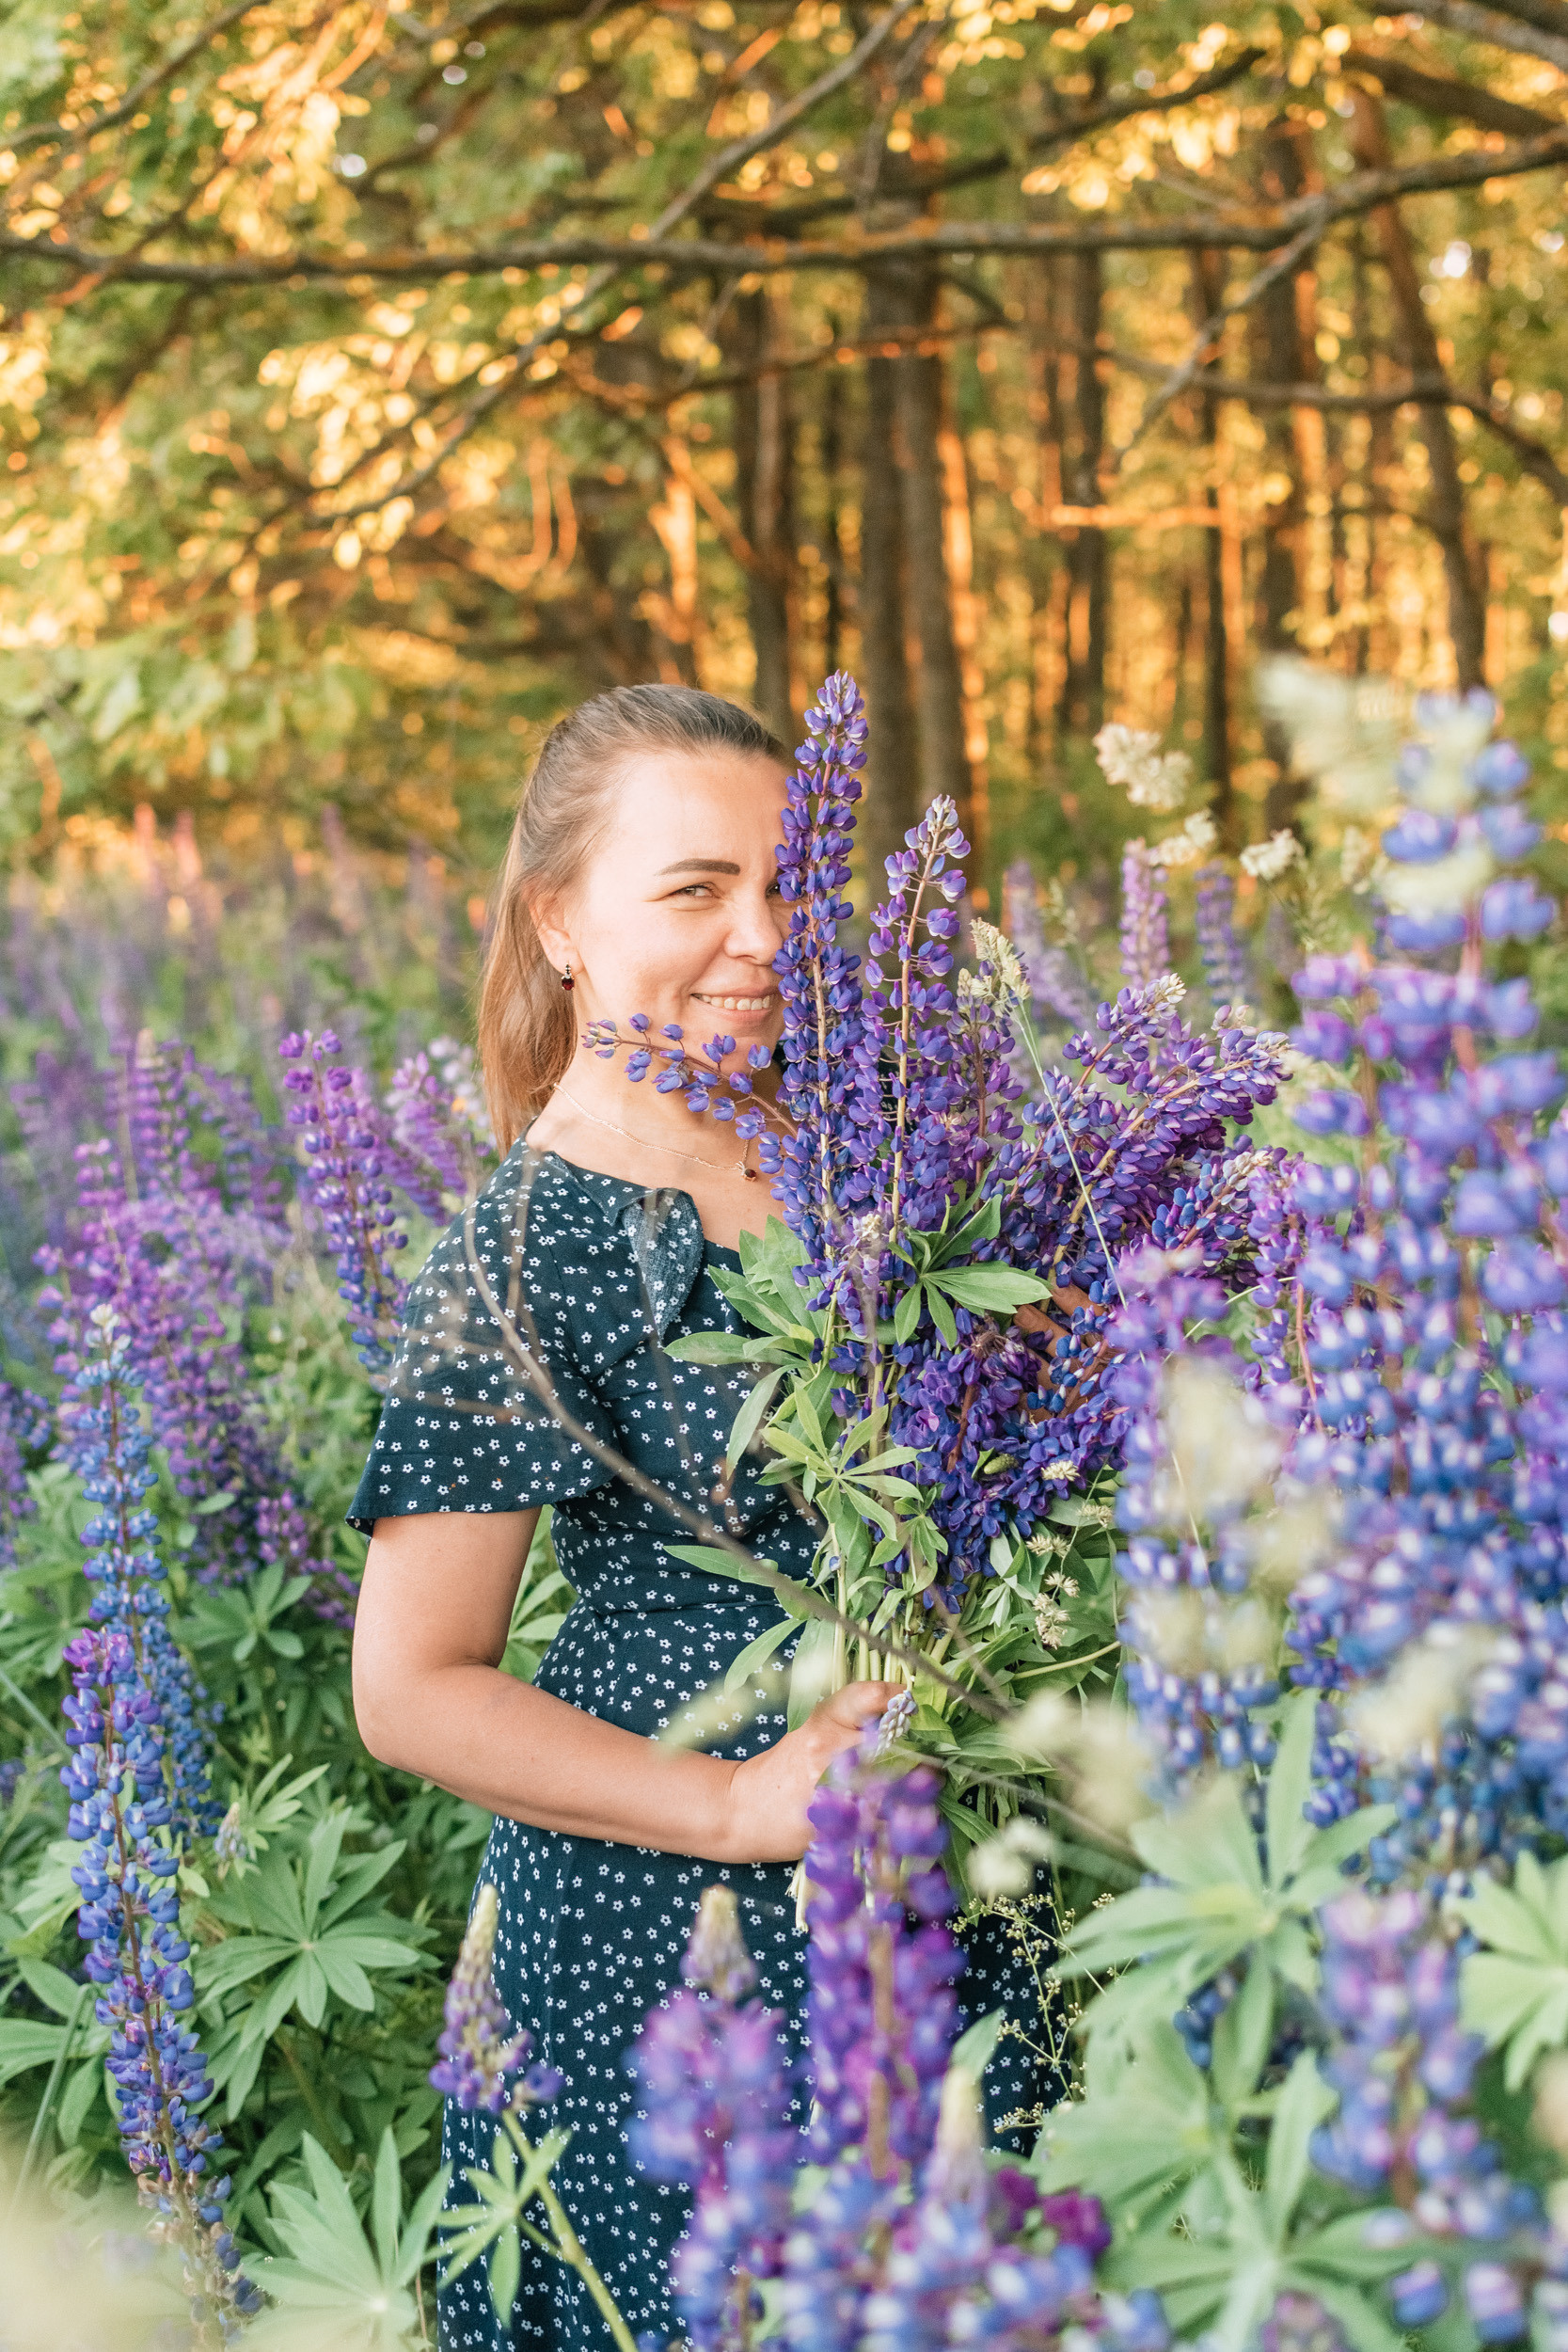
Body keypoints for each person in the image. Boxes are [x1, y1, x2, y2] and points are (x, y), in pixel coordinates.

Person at [349, 686, 1048, 2352]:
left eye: (790, 884)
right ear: (559, 922)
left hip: (939, 1872)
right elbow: (409, 1685)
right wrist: (735, 1804)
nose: (764, 937)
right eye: (695, 889)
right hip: (673, 1937)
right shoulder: (525, 1250)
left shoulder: (869, 1148)